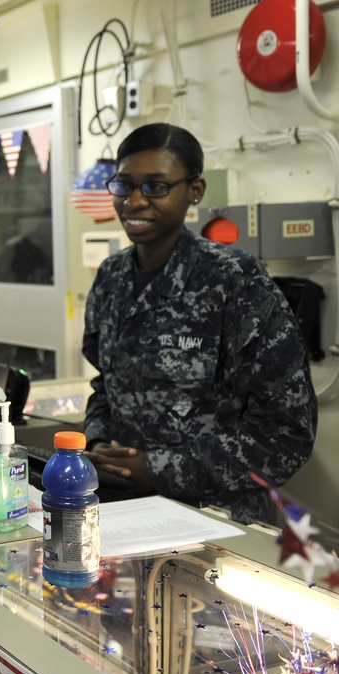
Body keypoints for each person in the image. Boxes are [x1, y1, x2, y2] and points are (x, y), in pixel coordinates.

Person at [81, 122, 317, 524]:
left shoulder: (235, 281)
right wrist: (98, 441)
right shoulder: (111, 277)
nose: (135, 201)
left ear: (195, 191)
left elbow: (287, 432)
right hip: (122, 509)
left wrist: (160, 470)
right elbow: (107, 384)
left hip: (215, 522)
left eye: (155, 186)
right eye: (124, 185)